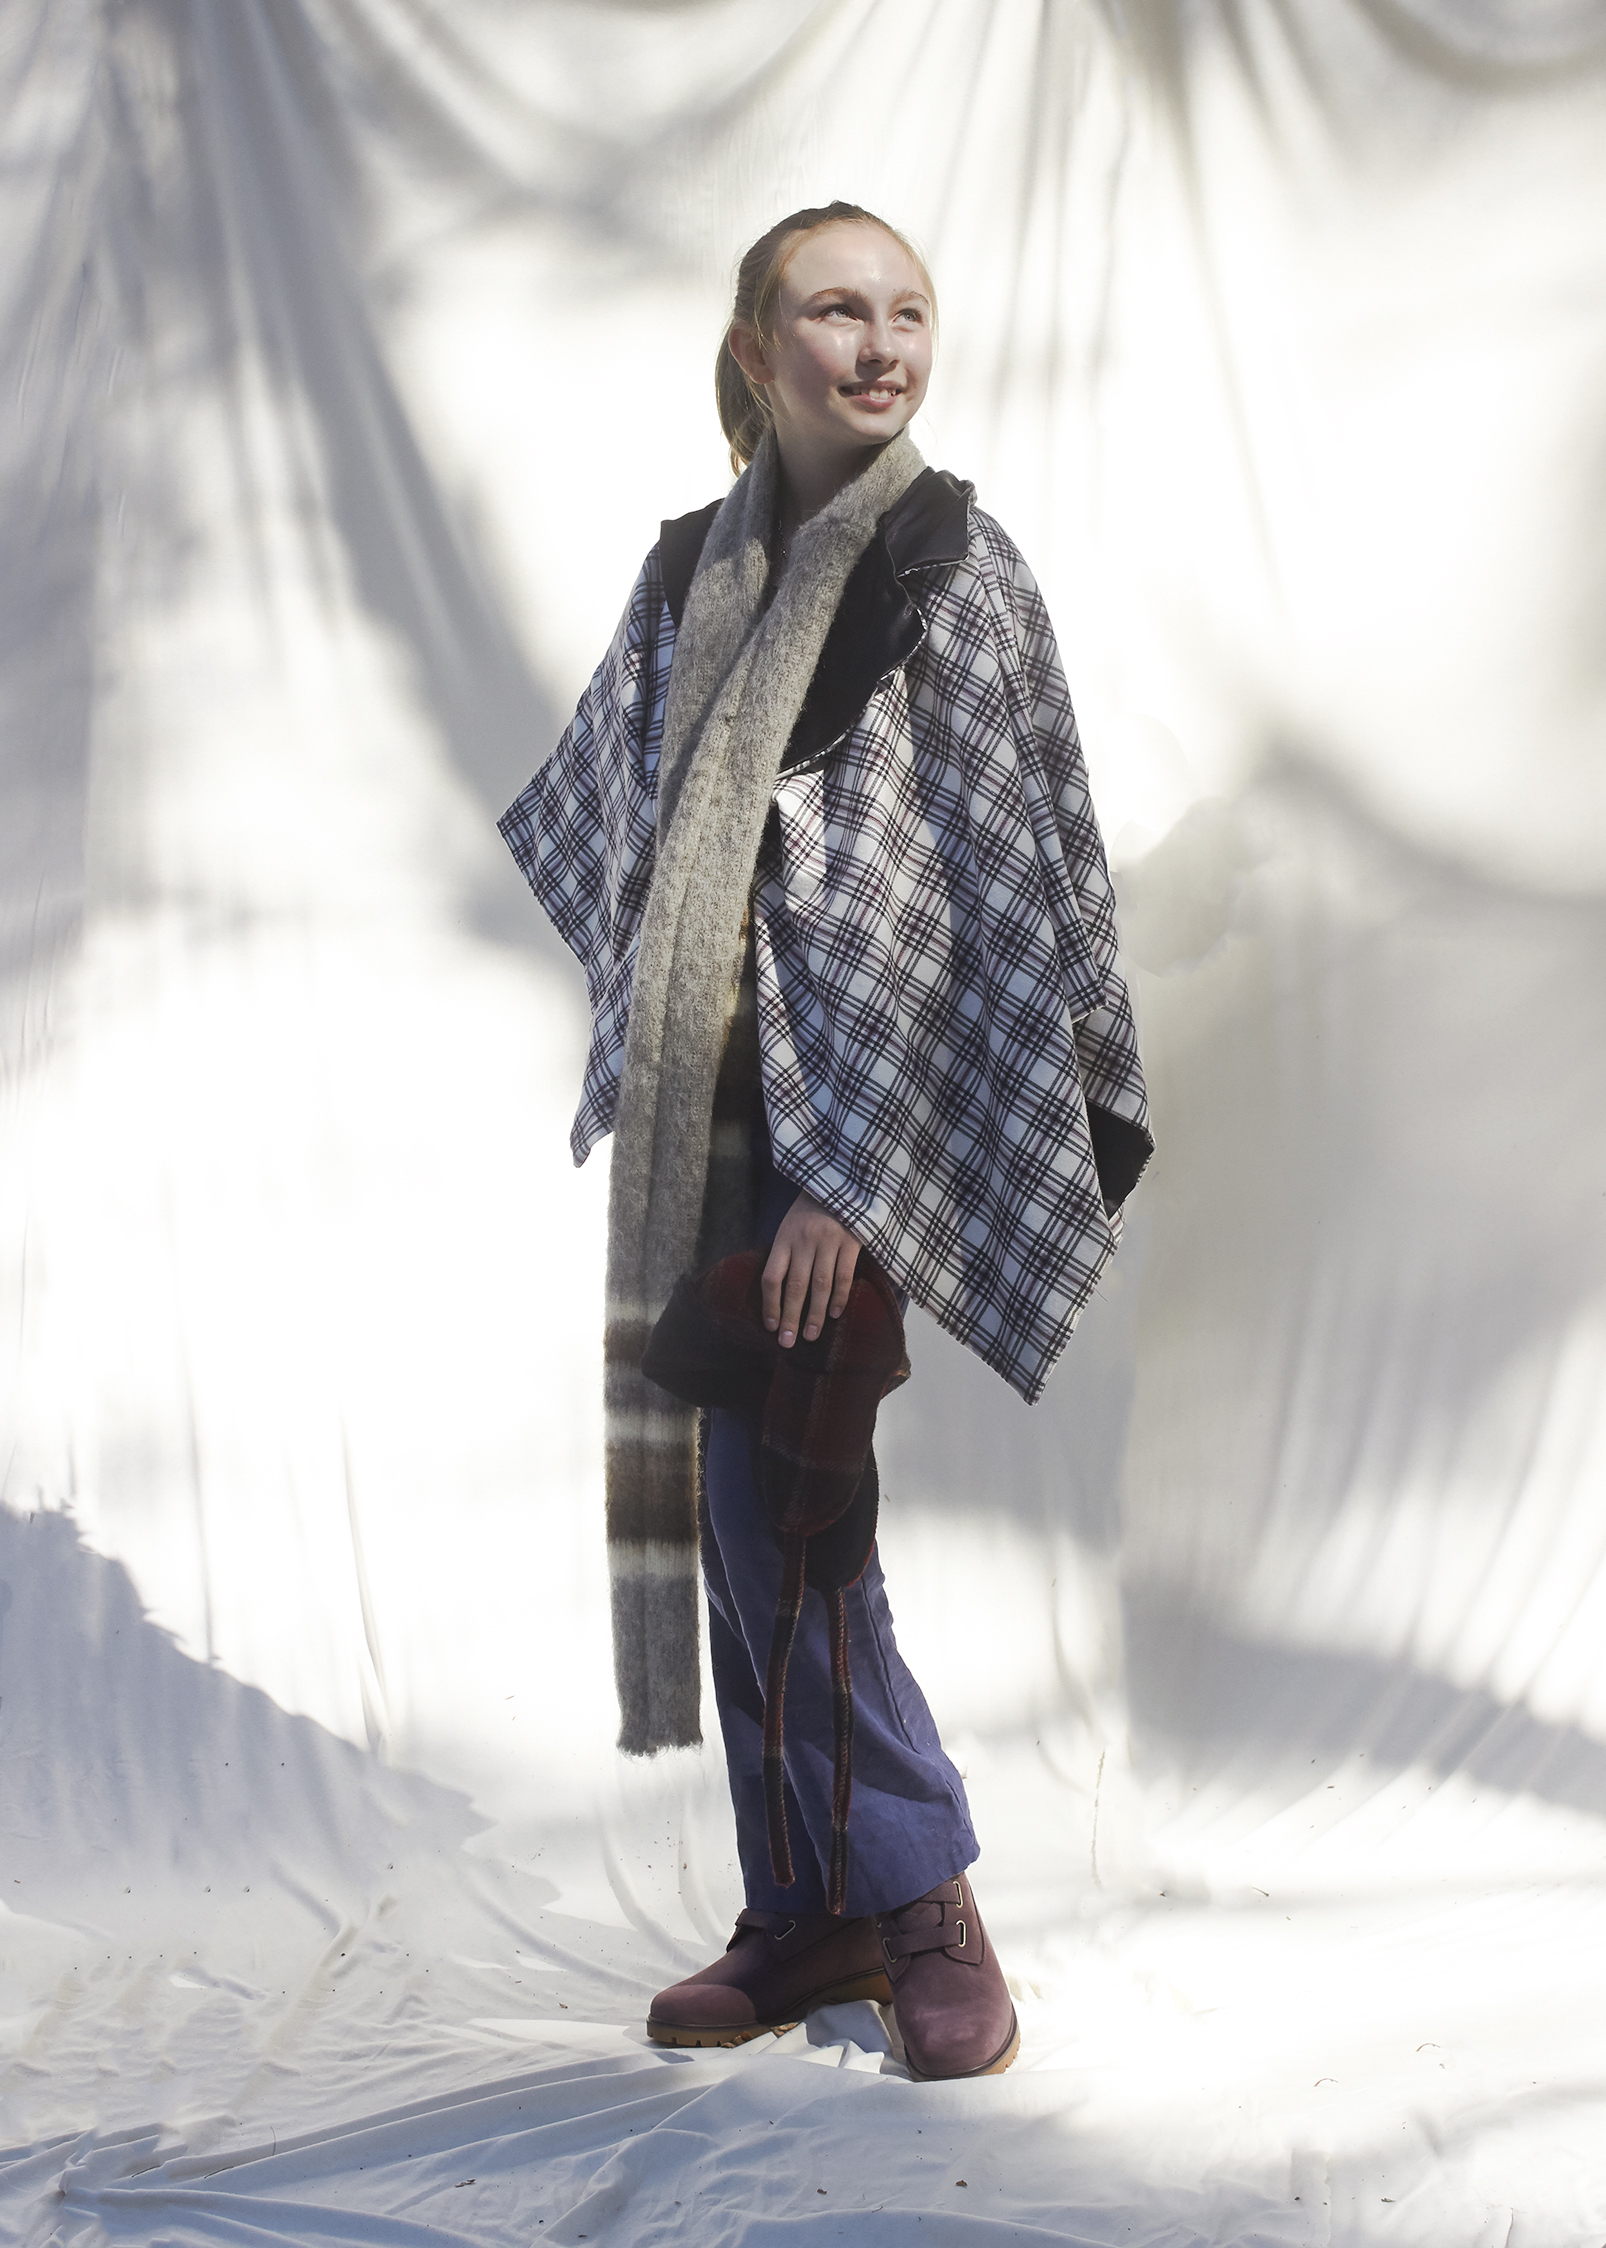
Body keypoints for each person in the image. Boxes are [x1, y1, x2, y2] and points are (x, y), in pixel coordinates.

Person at [499, 202, 1151, 2081]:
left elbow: (997, 892)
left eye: (907, 312)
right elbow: (623, 824)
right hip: (704, 1118)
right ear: (752, 343)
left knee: (799, 1505)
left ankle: (918, 1895)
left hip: (858, 1125)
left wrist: (858, 1178)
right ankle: (803, 1910)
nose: (877, 345)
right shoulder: (686, 569)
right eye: (833, 311)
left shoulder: (952, 565)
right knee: (735, 1511)